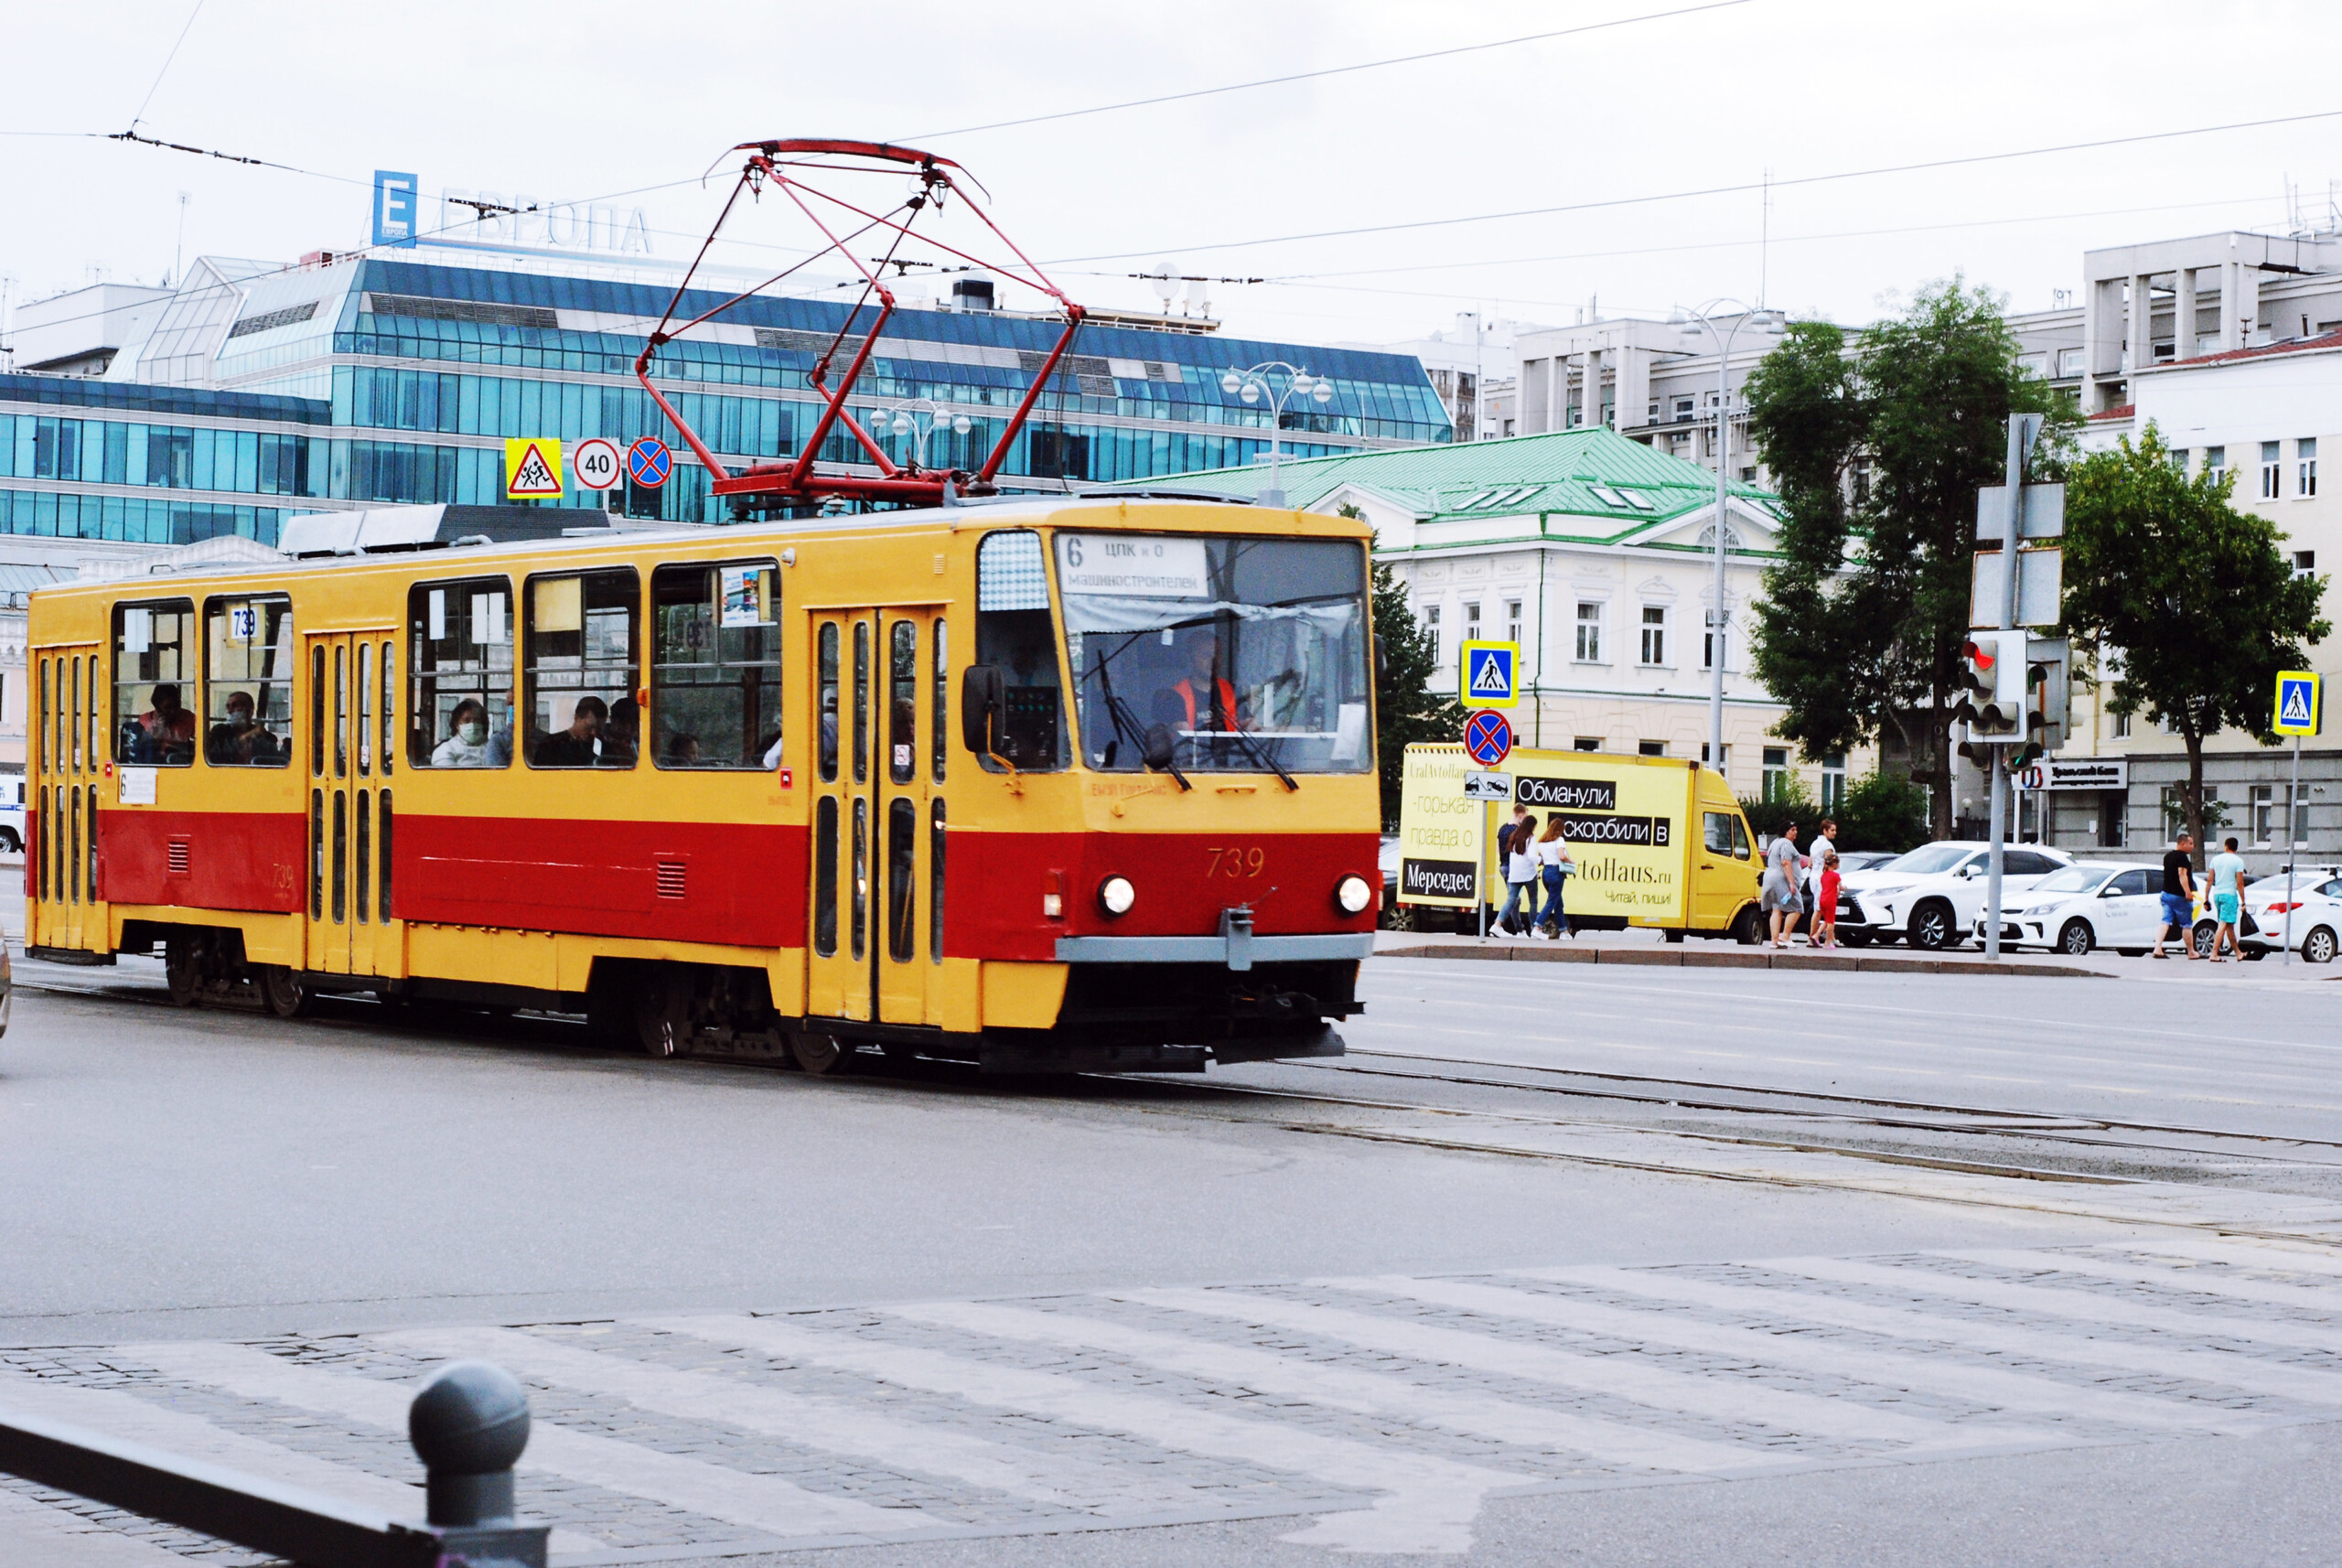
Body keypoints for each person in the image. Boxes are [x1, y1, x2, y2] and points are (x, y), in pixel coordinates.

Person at [1168, 628, 1241, 734]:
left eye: (1217, 654)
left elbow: (1248, 726)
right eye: (1206, 655)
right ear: (1191, 657)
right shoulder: (1174, 696)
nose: (1213, 660)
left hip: (1235, 750)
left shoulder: (1233, 691)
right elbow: (1179, 738)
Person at [2154, 832, 2198, 960]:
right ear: (2182, 843)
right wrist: (2188, 892)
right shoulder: (2182, 858)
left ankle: (2157, 948)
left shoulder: (2167, 857)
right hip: (2179, 896)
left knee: (2165, 921)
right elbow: (2182, 874)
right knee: (2186, 924)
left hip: (2166, 893)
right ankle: (2191, 951)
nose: (2192, 846)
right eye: (2190, 843)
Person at [205, 692, 279, 766]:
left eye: (235, 706)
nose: (229, 711)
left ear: (250, 711)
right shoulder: (220, 731)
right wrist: (247, 736)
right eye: (228, 706)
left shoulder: (265, 736)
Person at [1496, 811, 1540, 936]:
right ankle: (1534, 929)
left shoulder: (1514, 836)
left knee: (1511, 900)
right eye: (1535, 826)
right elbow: (1531, 857)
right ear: (1531, 826)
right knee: (1533, 901)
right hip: (1528, 874)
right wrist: (1542, 861)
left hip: (1515, 874)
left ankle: (1497, 924)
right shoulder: (1531, 838)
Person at [533, 695, 607, 768]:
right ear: (576, 717)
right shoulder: (551, 744)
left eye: (598, 729)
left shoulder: (599, 747)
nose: (593, 733)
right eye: (589, 728)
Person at [2208, 834, 2250, 961]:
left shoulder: (2215, 860)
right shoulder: (2238, 861)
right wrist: (2243, 901)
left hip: (2217, 894)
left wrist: (2206, 898)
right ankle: (2214, 953)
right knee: (2223, 924)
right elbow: (2240, 883)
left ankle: (2238, 953)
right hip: (2230, 896)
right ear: (2236, 848)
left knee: (2229, 925)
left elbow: (2210, 880)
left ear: (2226, 846)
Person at [1533, 815, 1575, 938]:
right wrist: (1571, 861)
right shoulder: (1559, 840)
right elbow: (1562, 856)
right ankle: (1537, 926)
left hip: (1546, 872)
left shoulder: (1542, 842)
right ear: (1560, 829)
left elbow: (1541, 860)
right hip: (1556, 872)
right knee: (1552, 901)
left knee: (1558, 903)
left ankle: (1564, 932)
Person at [1762, 822, 1801, 948]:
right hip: (1781, 879)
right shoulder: (1786, 843)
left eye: (1796, 830)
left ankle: (1774, 941)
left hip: (1770, 877)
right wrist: (1791, 883)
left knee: (1776, 909)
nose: (1795, 832)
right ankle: (1785, 936)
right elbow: (1785, 862)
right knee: (1797, 907)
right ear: (1785, 831)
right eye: (1792, 830)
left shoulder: (1775, 842)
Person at [135, 683, 197, 764]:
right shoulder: (146, 721)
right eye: (167, 707)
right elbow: (143, 747)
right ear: (158, 707)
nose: (173, 711)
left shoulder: (187, 717)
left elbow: (201, 739)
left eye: (177, 706)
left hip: (181, 761)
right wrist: (160, 730)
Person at [431, 699, 498, 767]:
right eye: (466, 720)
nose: (473, 724)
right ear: (457, 724)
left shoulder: (494, 748)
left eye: (477, 720)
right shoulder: (445, 750)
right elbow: (448, 776)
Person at [1802, 817, 1837, 946]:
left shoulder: (1814, 844)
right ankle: (1812, 937)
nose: (1834, 833)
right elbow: (1830, 864)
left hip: (1813, 877)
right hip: (1823, 878)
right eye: (1832, 830)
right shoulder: (1827, 846)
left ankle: (1831, 936)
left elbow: (1810, 863)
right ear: (1825, 830)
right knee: (1820, 909)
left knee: (1821, 907)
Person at [1812, 850, 1842, 949]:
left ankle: (1816, 935)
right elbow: (1840, 887)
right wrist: (1843, 888)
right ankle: (1827, 942)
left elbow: (1827, 886)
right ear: (1834, 864)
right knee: (1831, 922)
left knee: (1826, 920)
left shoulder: (1823, 875)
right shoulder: (1836, 875)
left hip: (1822, 899)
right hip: (1831, 900)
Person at [600, 696, 639, 768]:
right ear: (615, 721)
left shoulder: (636, 742)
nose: (635, 729)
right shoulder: (601, 742)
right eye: (629, 723)